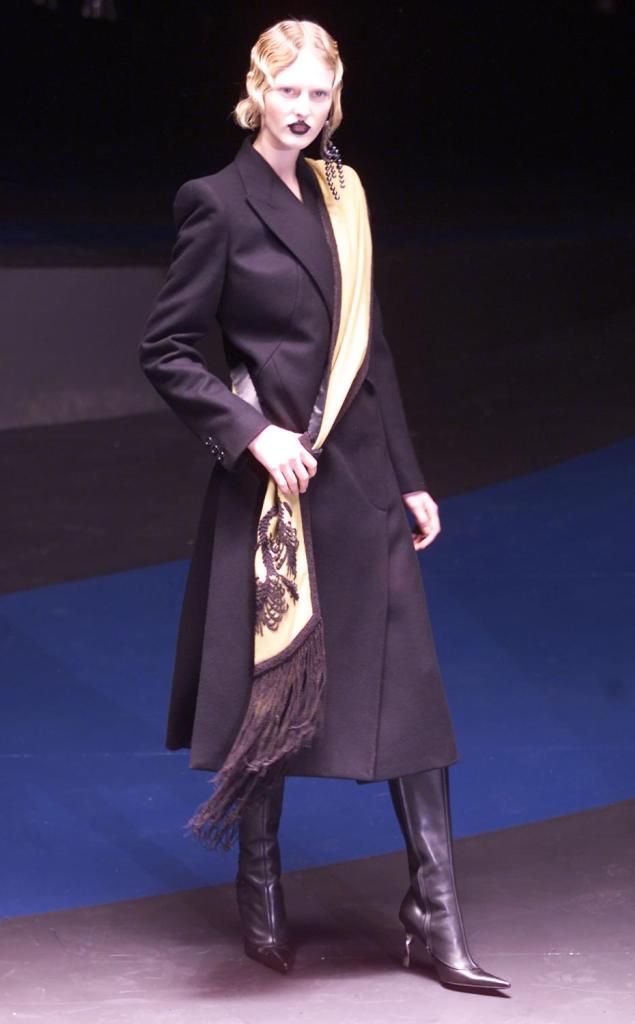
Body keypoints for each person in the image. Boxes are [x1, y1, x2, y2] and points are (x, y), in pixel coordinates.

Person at [138, 18, 510, 992]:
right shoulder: (216, 203)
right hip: (278, 488)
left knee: (410, 693)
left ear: (333, 99)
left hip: (364, 482)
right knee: (277, 691)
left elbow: (370, 348)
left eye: (318, 93)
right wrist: (249, 433)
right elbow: (166, 349)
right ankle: (259, 887)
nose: (301, 109)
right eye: (287, 90)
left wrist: (411, 475)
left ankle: (433, 914)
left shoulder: (344, 195)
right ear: (255, 91)